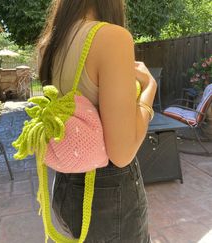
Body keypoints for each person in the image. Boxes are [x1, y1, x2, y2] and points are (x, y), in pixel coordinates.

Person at [37, 0, 157, 242]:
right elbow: (122, 154)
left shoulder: (49, 44)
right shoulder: (112, 37)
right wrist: (150, 88)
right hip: (107, 194)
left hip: (65, 182)